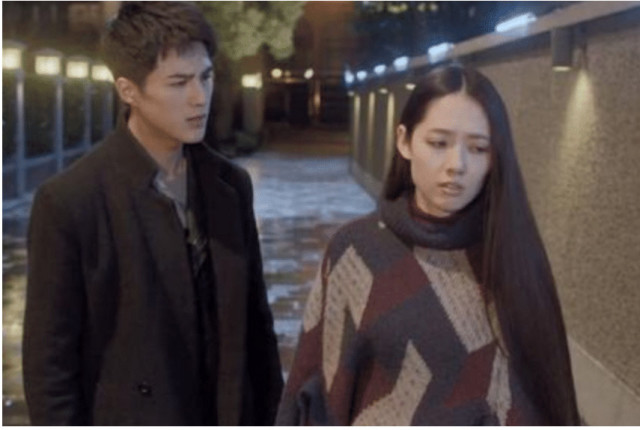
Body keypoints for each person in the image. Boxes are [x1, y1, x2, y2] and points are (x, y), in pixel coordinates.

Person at [23, 2, 282, 425]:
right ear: (128, 90)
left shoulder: (230, 185)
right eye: (179, 82)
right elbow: (49, 367)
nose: (199, 97)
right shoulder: (71, 201)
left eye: (206, 77)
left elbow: (256, 328)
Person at [276, 64, 580, 425]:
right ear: (404, 141)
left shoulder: (513, 255)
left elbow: (545, 397)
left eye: (478, 148)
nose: (457, 165)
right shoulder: (356, 252)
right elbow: (316, 389)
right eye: (438, 143)